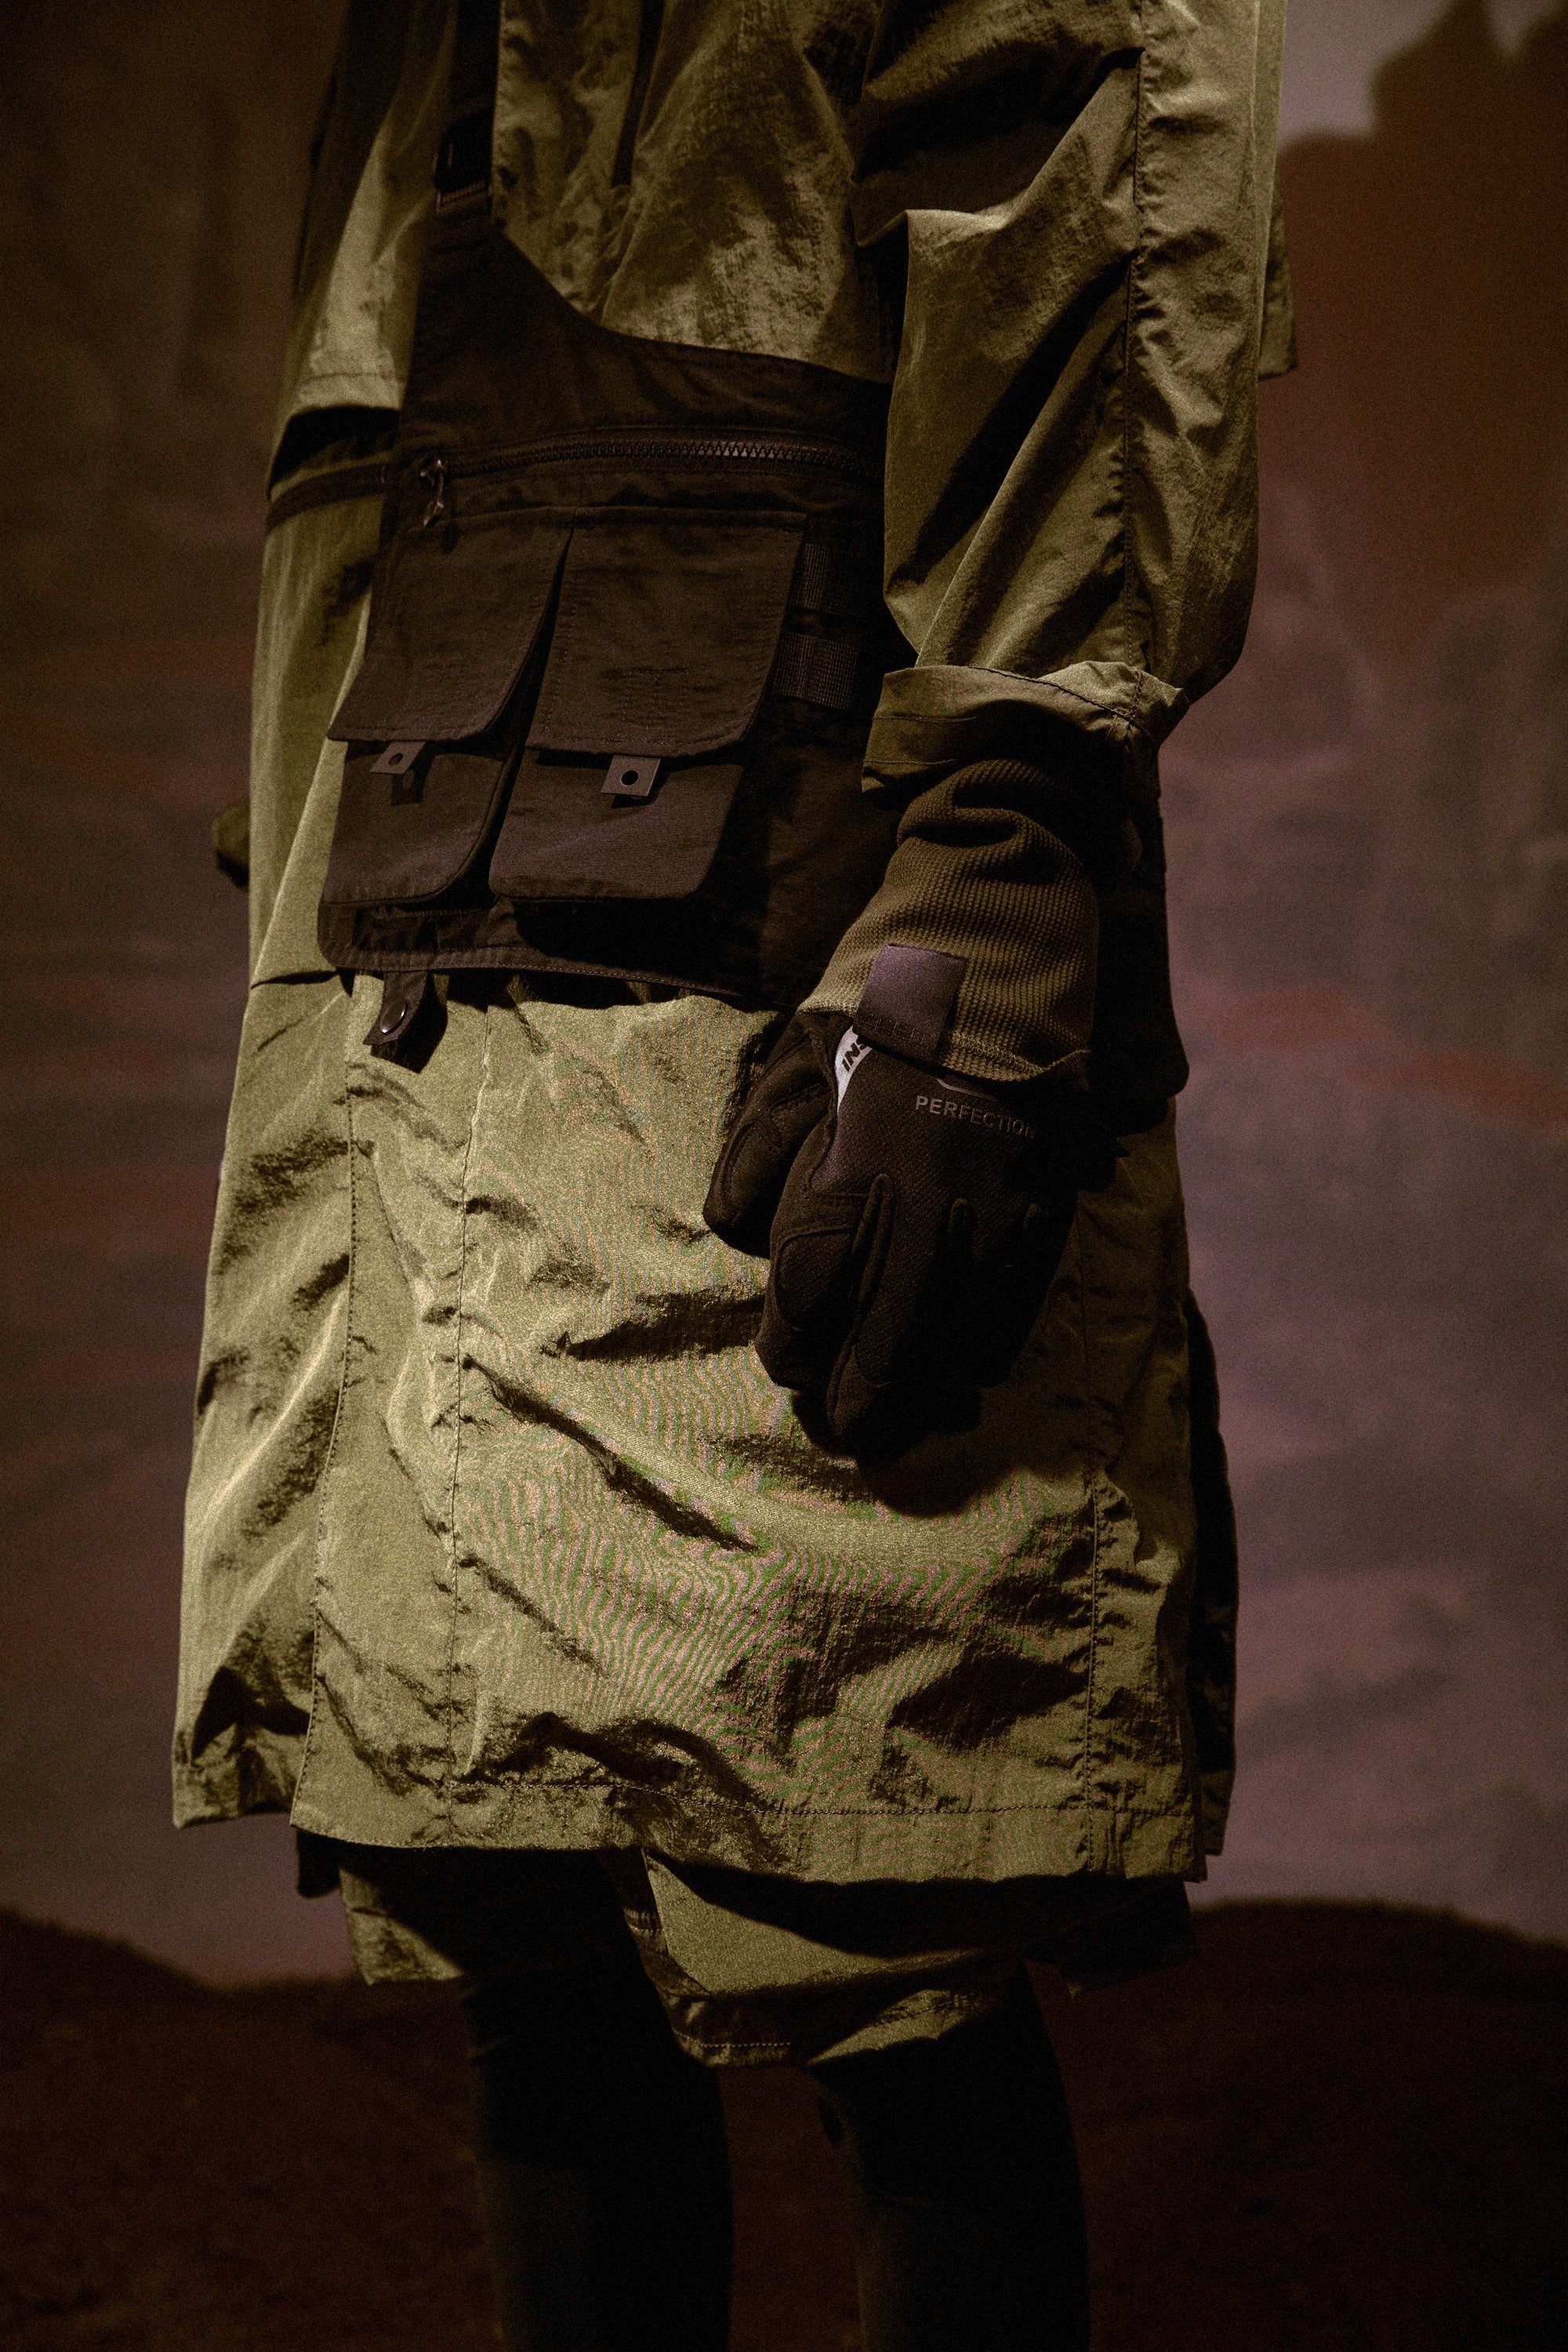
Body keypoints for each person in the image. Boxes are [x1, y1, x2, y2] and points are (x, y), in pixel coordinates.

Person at [177, 3, 1294, 2345]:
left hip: (750, 983)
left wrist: (1001, 862)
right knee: (512, 1897)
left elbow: (1085, 185)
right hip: (431, 981)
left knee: (876, 1908)